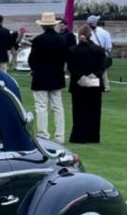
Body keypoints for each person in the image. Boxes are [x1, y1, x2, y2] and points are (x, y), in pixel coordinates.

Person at [27, 11, 68, 143]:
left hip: (40, 76)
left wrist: (34, 69)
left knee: (41, 106)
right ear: (54, 25)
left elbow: (32, 60)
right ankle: (60, 135)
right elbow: (65, 58)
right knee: (57, 106)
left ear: (42, 26)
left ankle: (43, 134)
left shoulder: (38, 40)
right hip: (56, 75)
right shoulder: (62, 39)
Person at [67, 24, 107, 143]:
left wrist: (81, 77)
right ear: (91, 35)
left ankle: (79, 136)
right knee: (94, 110)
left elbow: (71, 67)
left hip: (78, 82)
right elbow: (103, 65)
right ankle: (93, 136)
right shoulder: (99, 50)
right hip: (94, 80)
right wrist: (94, 74)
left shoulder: (73, 50)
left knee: (79, 110)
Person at [87, 15, 113, 91]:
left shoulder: (87, 32)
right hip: (101, 53)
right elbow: (108, 46)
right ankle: (106, 86)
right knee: (102, 71)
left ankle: (92, 85)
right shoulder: (105, 32)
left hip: (90, 53)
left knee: (91, 70)